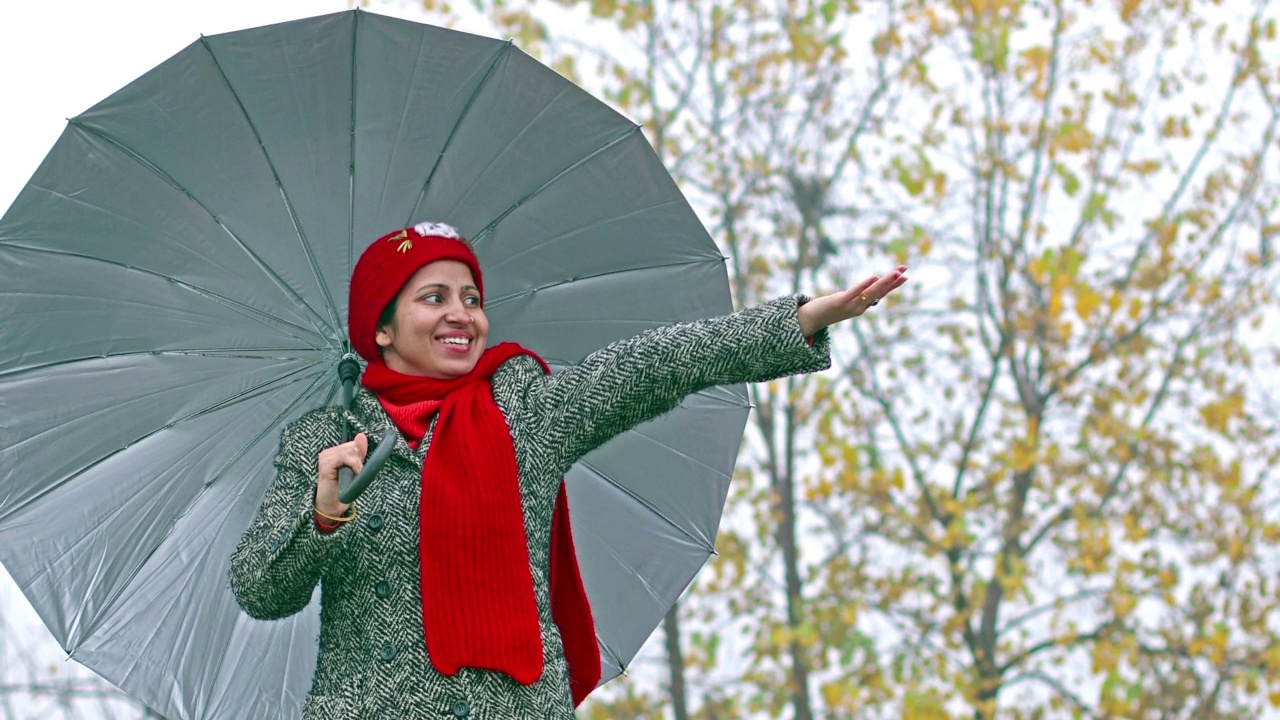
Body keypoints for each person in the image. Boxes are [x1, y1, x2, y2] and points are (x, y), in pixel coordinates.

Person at [229, 221, 908, 720]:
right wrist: (325, 510)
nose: (462, 314)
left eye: (470, 296)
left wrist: (793, 324)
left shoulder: (522, 410)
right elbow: (263, 590)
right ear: (379, 328)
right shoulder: (326, 441)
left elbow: (651, 364)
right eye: (433, 298)